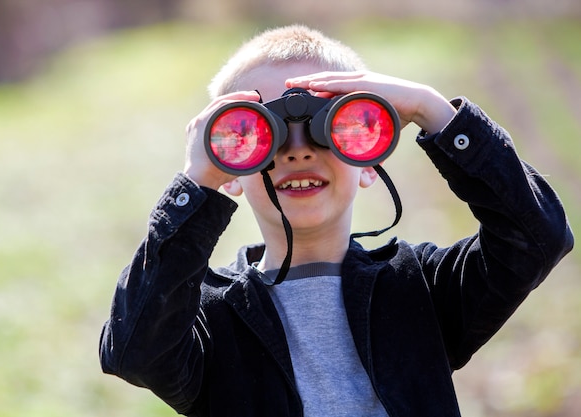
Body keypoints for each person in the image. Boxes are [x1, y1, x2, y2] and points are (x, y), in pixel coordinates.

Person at [99, 25, 573, 417]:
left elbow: (535, 237)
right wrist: (196, 181)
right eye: (258, 133)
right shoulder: (211, 318)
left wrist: (434, 110)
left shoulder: (418, 290)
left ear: (369, 160)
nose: (298, 150)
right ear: (232, 172)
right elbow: (135, 350)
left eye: (335, 127)